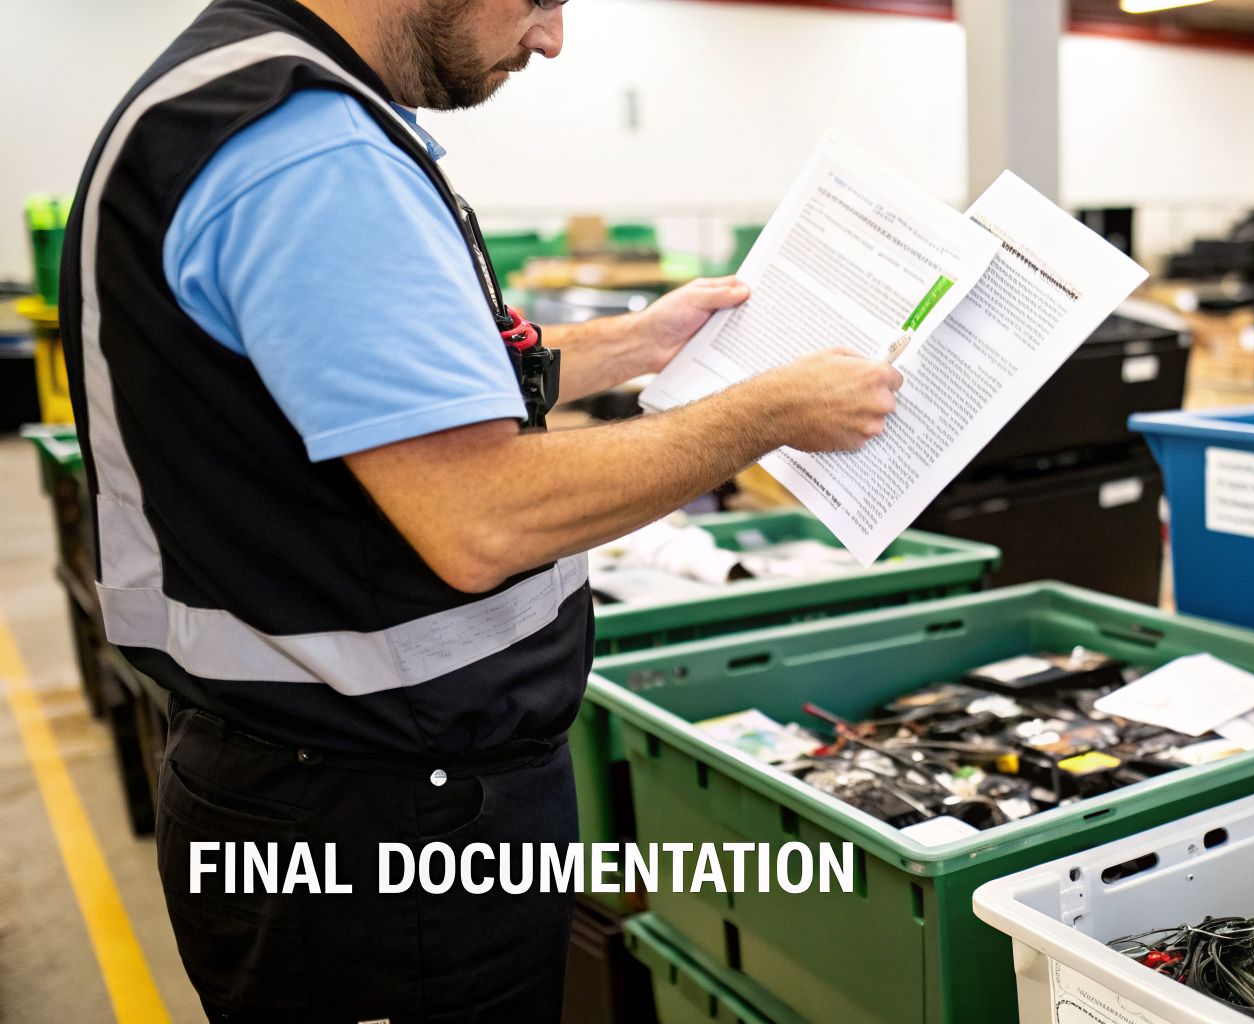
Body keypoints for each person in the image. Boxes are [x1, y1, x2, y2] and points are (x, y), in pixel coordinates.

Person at [61, 0, 901, 1020]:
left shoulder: (248, 98)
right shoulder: (307, 154)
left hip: (324, 782)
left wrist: (641, 342)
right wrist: (763, 414)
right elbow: (480, 519)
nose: (551, 37)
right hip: (373, 825)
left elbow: (397, 383)